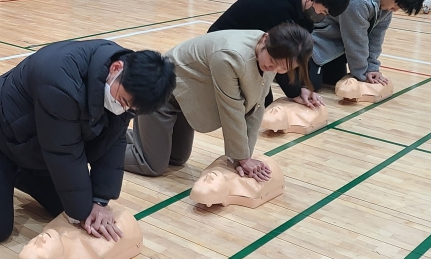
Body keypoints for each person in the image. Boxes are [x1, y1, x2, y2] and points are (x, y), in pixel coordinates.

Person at [0, 42, 176, 244]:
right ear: (116, 68)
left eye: (130, 108)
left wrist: (99, 201)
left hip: (33, 144)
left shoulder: (128, 88)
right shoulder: (60, 79)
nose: (123, 110)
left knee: (72, 207)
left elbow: (113, 142)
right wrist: (86, 209)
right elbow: (65, 154)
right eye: (123, 101)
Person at [124, 22, 313, 180]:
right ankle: (98, 147)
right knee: (152, 165)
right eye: (273, 60)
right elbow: (231, 109)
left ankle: (128, 136)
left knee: (177, 159)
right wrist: (242, 157)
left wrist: (244, 156)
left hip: (184, 101)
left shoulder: (270, 57)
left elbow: (256, 106)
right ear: (265, 39)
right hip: (160, 95)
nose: (274, 68)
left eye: (282, 68)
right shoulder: (230, 57)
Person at [208, 0, 351, 108]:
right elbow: (279, 55)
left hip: (254, 49)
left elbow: (299, 51)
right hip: (223, 48)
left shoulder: (304, 10)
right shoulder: (276, 7)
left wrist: (304, 87)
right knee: (261, 103)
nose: (323, 17)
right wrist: (295, 93)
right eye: (324, 12)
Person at [291, 0, 425, 95]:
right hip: (315, 34)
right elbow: (355, 39)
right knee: (312, 84)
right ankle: (285, 65)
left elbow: (376, 37)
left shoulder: (385, 2)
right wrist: (362, 74)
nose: (394, 11)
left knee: (334, 79)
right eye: (396, 6)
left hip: (336, 38)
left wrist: (372, 68)